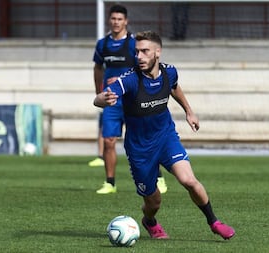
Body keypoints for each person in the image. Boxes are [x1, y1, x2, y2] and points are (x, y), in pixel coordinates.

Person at [93, 30, 235, 240]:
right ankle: (149, 221)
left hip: (166, 137)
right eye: (137, 52)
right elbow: (97, 99)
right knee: (154, 201)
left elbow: (174, 88)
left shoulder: (169, 72)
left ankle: (214, 222)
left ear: (157, 52)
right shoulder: (130, 79)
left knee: (189, 181)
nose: (139, 56)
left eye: (144, 51)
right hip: (140, 149)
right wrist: (104, 99)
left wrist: (189, 111)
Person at [92, 4, 167, 194]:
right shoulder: (102, 44)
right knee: (109, 140)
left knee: (145, 139)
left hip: (133, 99)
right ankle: (110, 182)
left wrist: (122, 80)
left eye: (119, 19)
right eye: (113, 19)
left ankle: (158, 177)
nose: (116, 22)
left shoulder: (135, 44)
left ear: (126, 21)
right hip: (112, 100)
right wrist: (100, 92)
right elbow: (97, 68)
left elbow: (143, 69)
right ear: (109, 20)